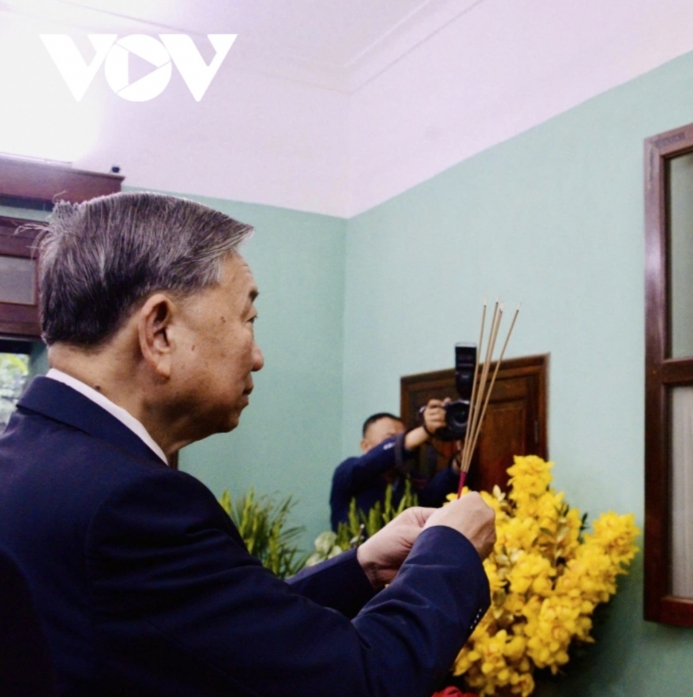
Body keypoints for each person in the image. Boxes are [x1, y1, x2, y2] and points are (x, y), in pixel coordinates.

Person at [0, 192, 496, 695]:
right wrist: (450, 553)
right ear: (160, 332)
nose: (257, 356)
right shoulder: (130, 505)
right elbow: (361, 683)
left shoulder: (30, 460)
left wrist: (361, 568)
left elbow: (209, 631)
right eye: (247, 319)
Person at [329, 410, 462, 530]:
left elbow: (432, 496)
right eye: (390, 438)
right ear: (366, 446)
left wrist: (459, 462)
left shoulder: (406, 482)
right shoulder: (347, 472)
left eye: (402, 437)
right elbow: (370, 462)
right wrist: (425, 431)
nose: (407, 444)